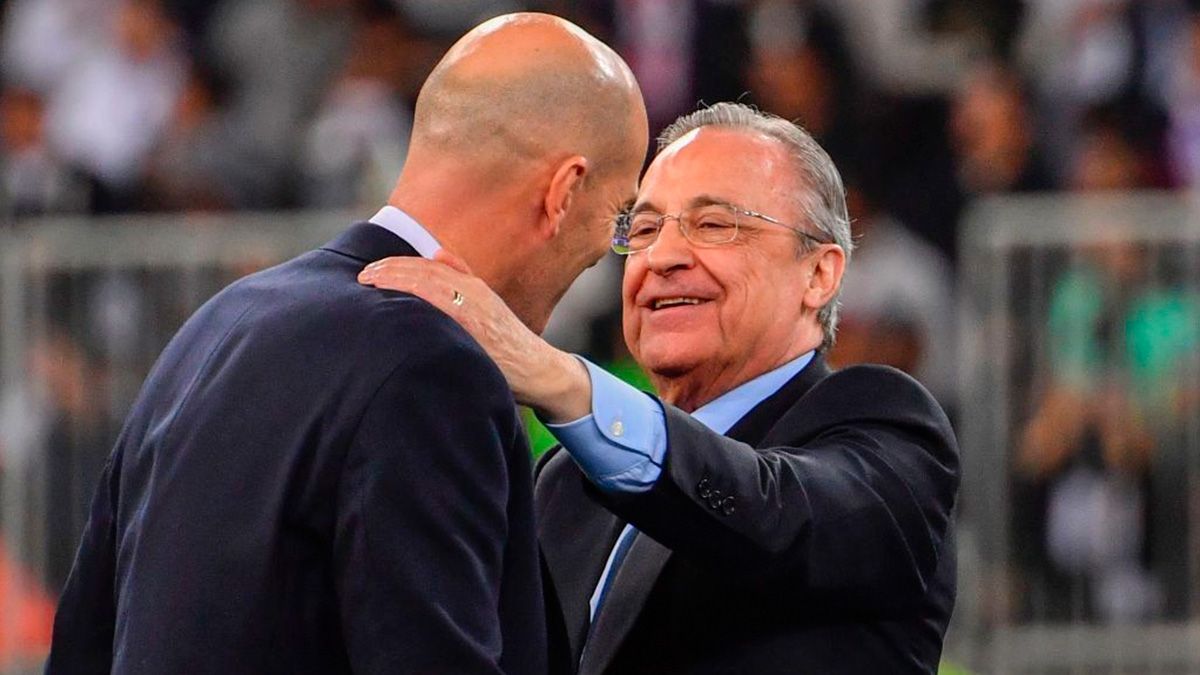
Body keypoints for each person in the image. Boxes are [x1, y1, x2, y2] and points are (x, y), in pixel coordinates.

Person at [47, 13, 648, 674]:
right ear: (563, 193)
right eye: (622, 216)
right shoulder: (433, 369)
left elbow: (81, 645)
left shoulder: (214, 328)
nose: (608, 251)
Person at [359, 102, 960, 674]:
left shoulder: (887, 426)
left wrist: (560, 379)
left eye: (715, 224)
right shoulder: (568, 482)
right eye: (643, 229)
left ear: (819, 273)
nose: (662, 255)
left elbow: (775, 516)